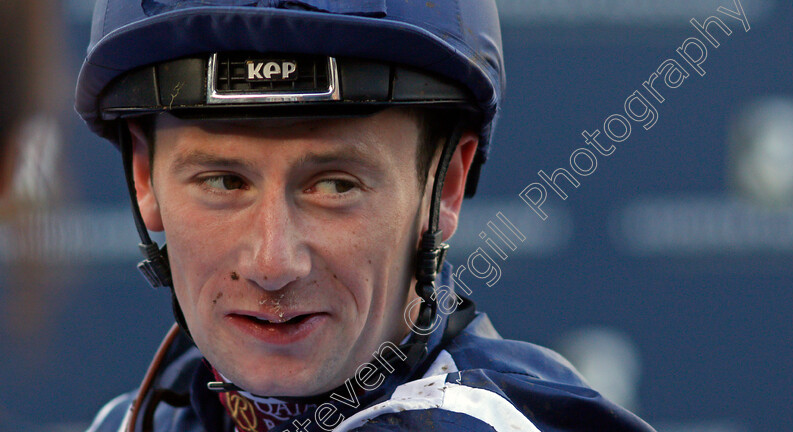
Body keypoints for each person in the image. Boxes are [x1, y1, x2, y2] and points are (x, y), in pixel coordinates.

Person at [76, 1, 656, 431]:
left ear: (446, 187)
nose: (273, 264)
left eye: (334, 185)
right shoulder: (135, 419)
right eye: (224, 182)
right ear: (144, 178)